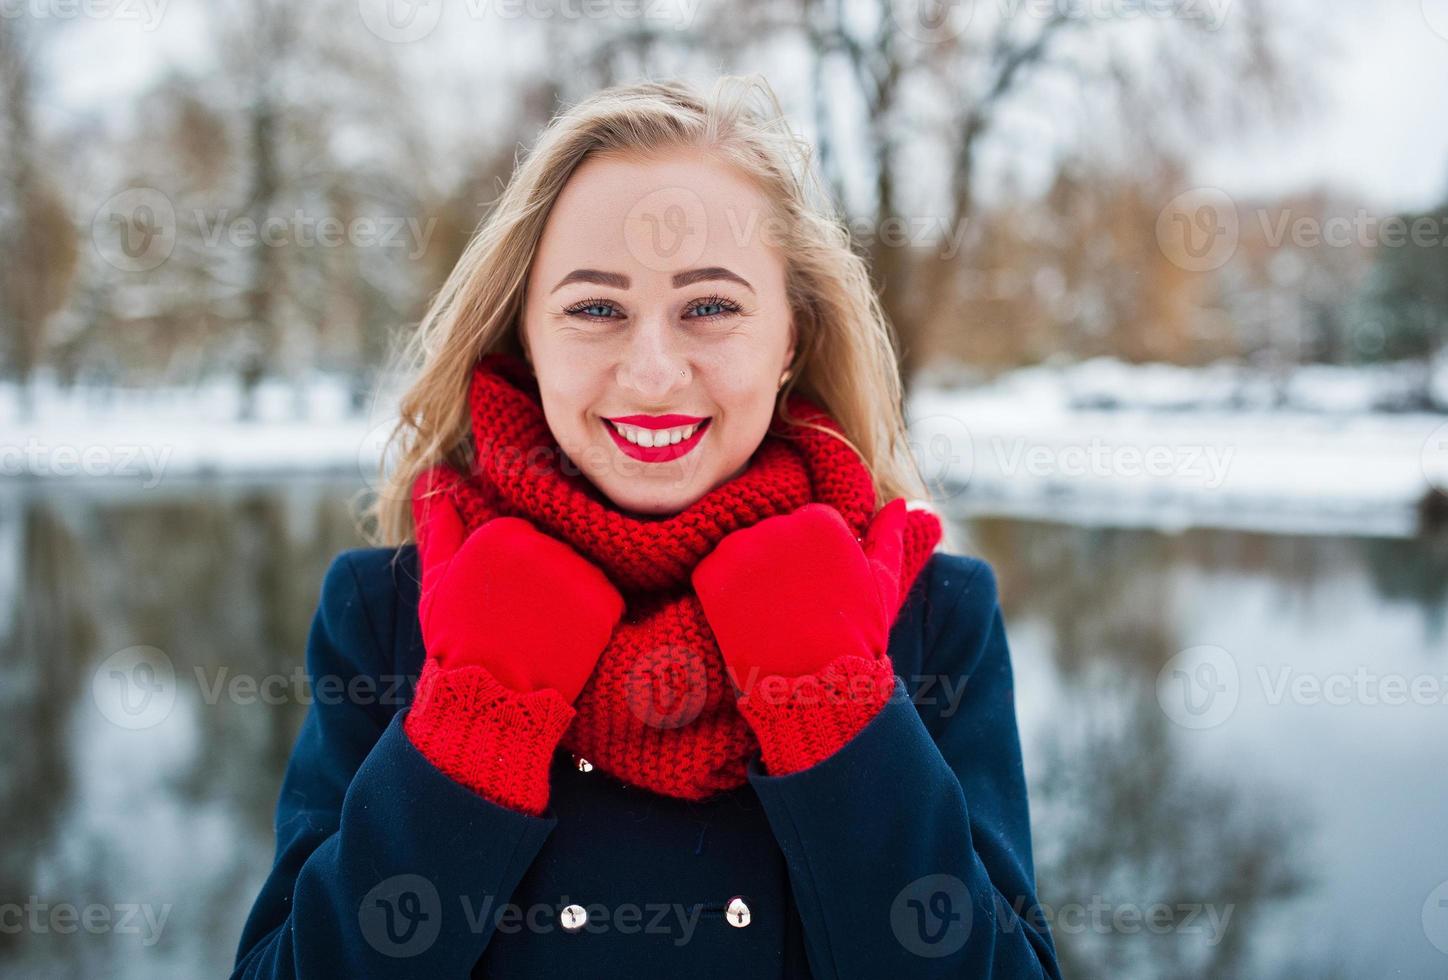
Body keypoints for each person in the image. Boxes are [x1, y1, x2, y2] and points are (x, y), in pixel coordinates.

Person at [231, 75, 1061, 979]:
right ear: (524, 335)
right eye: (595, 310)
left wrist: (836, 708)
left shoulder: (933, 615)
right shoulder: (385, 611)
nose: (654, 373)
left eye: (710, 307)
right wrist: (469, 727)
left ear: (789, 337)